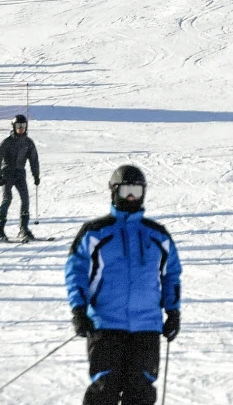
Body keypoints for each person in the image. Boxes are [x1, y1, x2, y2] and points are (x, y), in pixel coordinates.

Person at [66, 165, 182, 405]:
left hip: (147, 326)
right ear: (114, 191)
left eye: (136, 192)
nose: (131, 197)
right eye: (126, 191)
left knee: (141, 391)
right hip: (106, 323)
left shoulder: (157, 234)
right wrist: (79, 309)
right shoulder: (95, 232)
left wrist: (173, 312)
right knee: (104, 389)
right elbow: (75, 271)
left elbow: (171, 274)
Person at [0, 114, 40, 243]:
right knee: (7, 199)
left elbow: (34, 160)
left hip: (20, 174)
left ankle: (24, 228)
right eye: (18, 126)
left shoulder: (28, 143)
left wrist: (36, 175)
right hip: (7, 174)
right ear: (14, 127)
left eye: (23, 126)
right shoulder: (7, 142)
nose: (21, 128)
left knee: (25, 199)